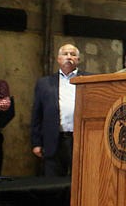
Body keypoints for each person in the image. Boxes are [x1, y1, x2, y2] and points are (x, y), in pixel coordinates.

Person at [30, 44, 88, 176]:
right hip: (54, 139)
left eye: (73, 54)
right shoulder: (44, 83)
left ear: (78, 59)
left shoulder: (88, 80)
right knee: (53, 181)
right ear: (58, 59)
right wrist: (36, 143)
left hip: (80, 138)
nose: (69, 57)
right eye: (65, 54)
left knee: (80, 178)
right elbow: (37, 114)